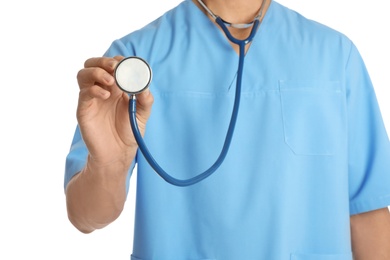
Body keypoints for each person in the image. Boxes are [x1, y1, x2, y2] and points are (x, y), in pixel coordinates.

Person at [64, 0, 390, 259]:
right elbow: (86, 216)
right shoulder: (132, 60)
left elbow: (367, 209)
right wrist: (109, 164)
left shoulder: (335, 55)